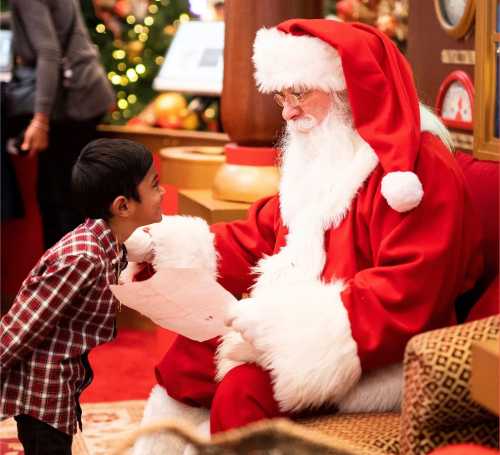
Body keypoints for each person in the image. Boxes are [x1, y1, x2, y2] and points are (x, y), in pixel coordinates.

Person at [125, 19, 484, 454]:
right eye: (281, 95)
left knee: (244, 390)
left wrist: (282, 332)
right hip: (296, 320)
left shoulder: (414, 172)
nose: (287, 111)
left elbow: (408, 294)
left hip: (375, 354)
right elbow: (262, 233)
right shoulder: (328, 151)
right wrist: (167, 247)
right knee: (189, 358)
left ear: (350, 90)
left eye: (299, 93)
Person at [0, 139, 165, 455]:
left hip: (62, 384)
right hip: (41, 392)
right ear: (123, 206)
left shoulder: (108, 243)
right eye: (155, 186)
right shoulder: (83, 257)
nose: (163, 193)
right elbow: (22, 326)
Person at [7, 0, 114, 248]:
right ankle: (74, 273)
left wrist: (40, 120)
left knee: (58, 199)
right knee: (66, 196)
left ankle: (66, 275)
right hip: (85, 93)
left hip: (70, 104)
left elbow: (49, 52)